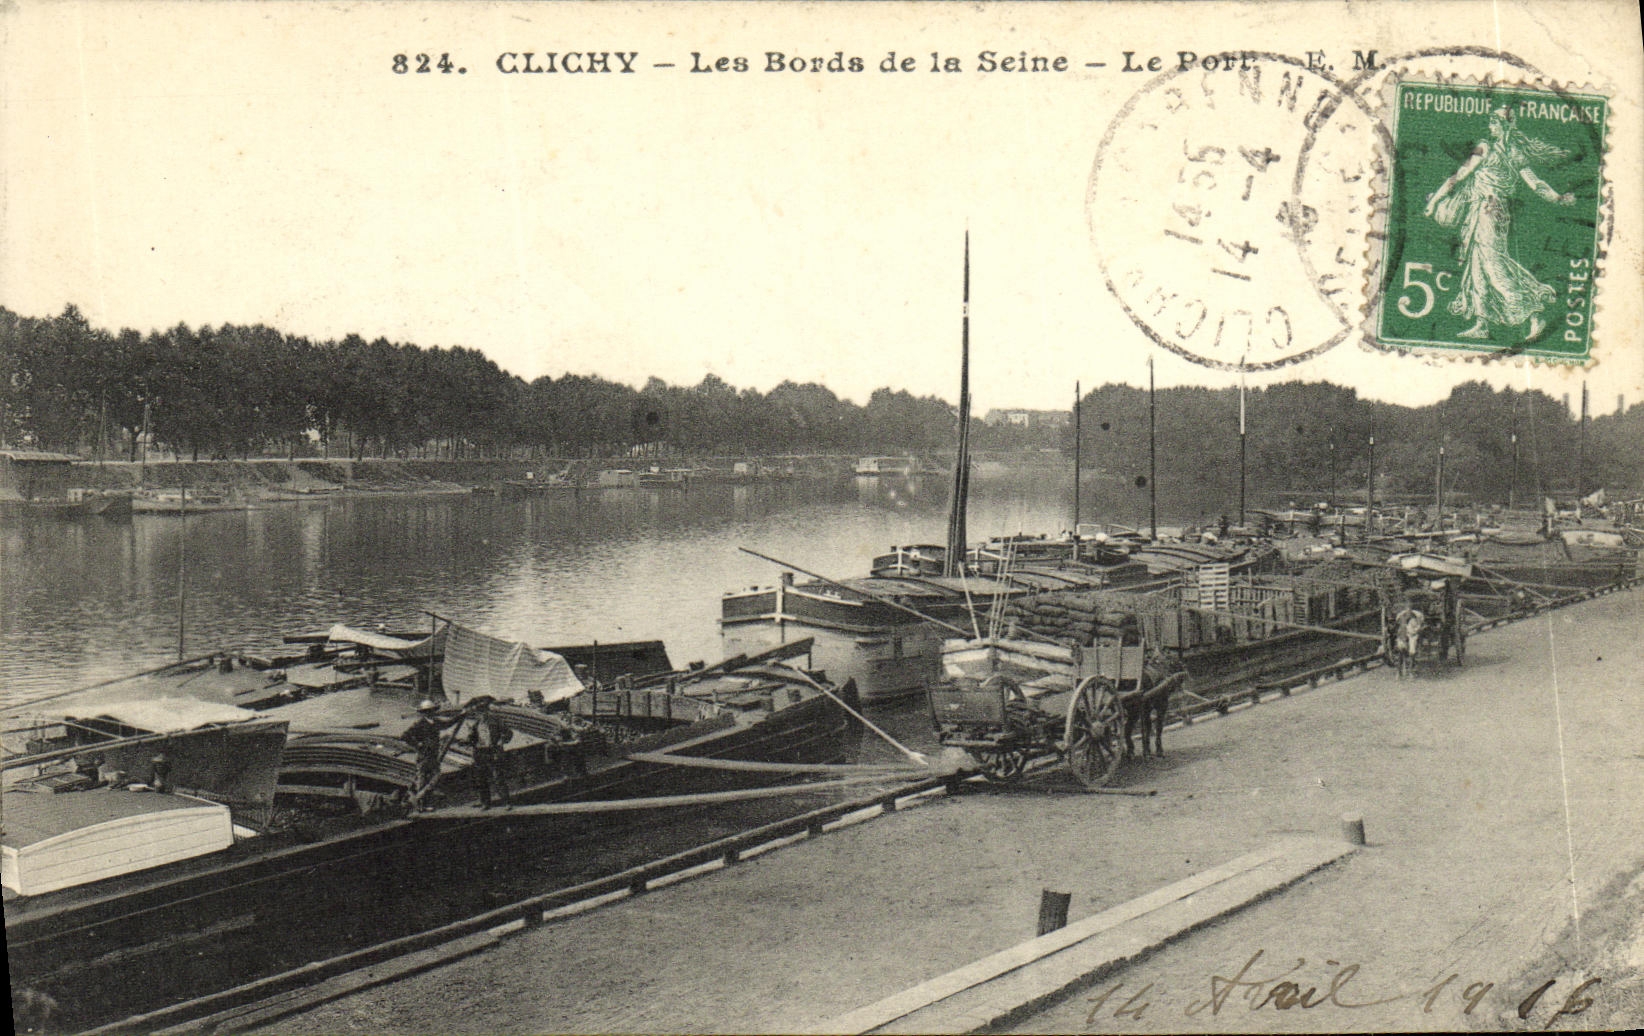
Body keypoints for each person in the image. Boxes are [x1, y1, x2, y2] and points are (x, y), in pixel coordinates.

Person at [1423, 106, 1576, 342]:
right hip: (1488, 213)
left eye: (1493, 122)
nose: (1490, 127)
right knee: (1478, 268)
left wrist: (1434, 201)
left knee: (1495, 266)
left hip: (1488, 213)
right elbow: (1536, 184)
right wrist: (1557, 197)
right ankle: (1482, 324)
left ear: (1504, 125)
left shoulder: (1488, 149)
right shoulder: (1512, 153)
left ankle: (1534, 314)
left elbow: (1460, 176)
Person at [402, 699, 461, 810]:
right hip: (423, 755)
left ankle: (421, 800)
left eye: (431, 710)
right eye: (427, 711)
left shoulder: (436, 722)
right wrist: (418, 745)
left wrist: (460, 716)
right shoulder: (419, 724)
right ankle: (421, 805)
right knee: (422, 779)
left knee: (435, 776)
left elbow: (448, 723)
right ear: (423, 713)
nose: (430, 713)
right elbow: (405, 736)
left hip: (433, 754)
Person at [462, 698, 514, 808]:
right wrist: (467, 741)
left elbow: (508, 733)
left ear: (487, 711)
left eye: (483, 711)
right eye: (479, 712)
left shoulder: (495, 721)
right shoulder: (475, 725)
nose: (481, 714)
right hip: (480, 753)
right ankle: (485, 803)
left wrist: (502, 741)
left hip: (493, 751)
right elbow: (471, 739)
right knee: (481, 779)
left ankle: (506, 802)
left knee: (498, 778)